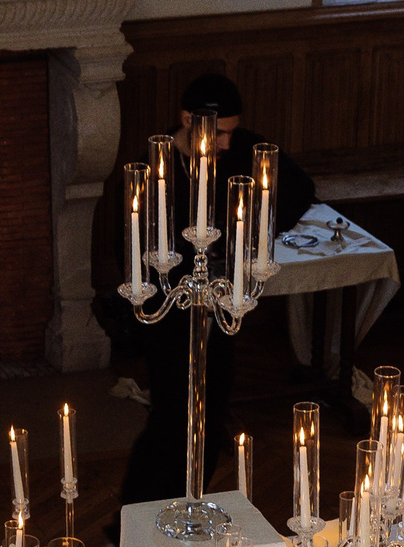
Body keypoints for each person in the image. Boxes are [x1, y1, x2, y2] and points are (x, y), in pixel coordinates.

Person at [112, 72, 315, 514]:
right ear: (188, 119)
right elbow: (130, 240)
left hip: (218, 302)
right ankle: (141, 515)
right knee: (170, 414)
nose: (227, 143)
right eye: (220, 132)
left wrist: (249, 239)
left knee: (211, 409)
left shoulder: (242, 148)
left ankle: (192, 505)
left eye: (232, 132)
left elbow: (301, 190)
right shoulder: (156, 165)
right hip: (167, 304)